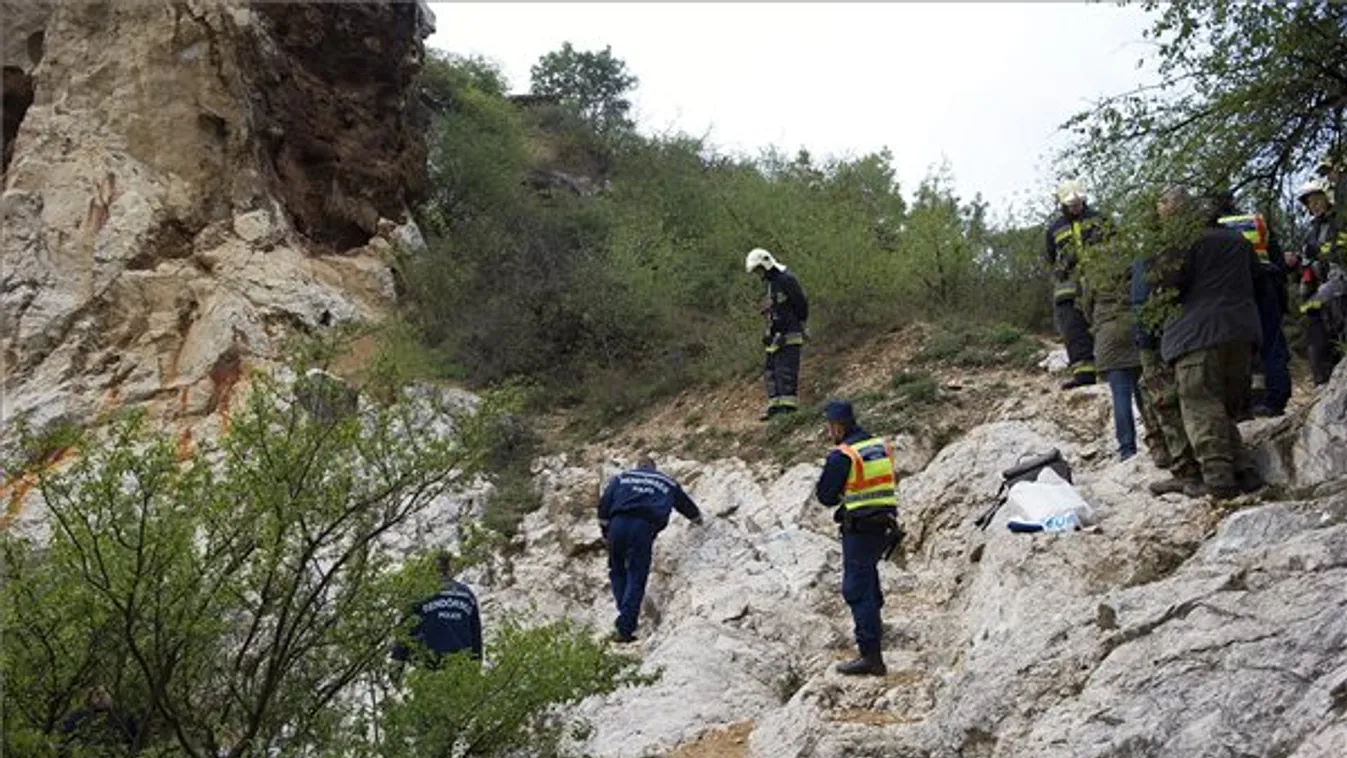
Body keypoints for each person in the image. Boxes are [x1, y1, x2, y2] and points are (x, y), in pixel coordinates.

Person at [1153, 187, 1264, 499]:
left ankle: (1218, 480)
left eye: (1161, 205)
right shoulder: (1238, 241)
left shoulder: (1181, 241)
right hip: (1242, 332)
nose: (1159, 212)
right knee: (1221, 406)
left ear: (1175, 211)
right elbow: (1258, 279)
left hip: (1197, 334)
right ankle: (1245, 470)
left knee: (1200, 404)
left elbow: (1166, 282)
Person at [814, 400, 904, 677]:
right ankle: (875, 631)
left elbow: (825, 496)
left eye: (829, 427)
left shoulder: (843, 456)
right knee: (869, 579)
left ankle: (871, 656)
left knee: (856, 588)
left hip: (860, 527)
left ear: (838, 427)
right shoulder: (879, 446)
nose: (829, 432)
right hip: (885, 525)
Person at [597, 454, 703, 643]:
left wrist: (606, 531)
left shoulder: (622, 478)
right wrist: (697, 519)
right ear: (654, 467)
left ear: (638, 465)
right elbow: (684, 504)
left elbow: (604, 504)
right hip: (642, 527)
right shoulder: (666, 481)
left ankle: (624, 615)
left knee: (617, 570)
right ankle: (625, 628)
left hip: (618, 524)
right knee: (637, 575)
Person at [1212, 191, 1291, 416]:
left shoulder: (1216, 228)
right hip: (1266, 283)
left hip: (1236, 290)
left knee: (1242, 347)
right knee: (1272, 342)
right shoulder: (1255, 221)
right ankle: (1276, 398)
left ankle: (1246, 403)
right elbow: (1276, 256)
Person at [1132, 253, 1202, 495]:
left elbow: (1140, 303)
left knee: (1163, 398)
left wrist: (1144, 342)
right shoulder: (1187, 246)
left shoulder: (1149, 257)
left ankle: (1185, 468)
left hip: (1165, 336)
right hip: (1195, 331)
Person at [1045, 179, 1112, 389]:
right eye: (1071, 204)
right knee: (1074, 331)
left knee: (1107, 325)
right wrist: (1061, 267)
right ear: (1063, 204)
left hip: (1101, 283)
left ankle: (1112, 371)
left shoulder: (1100, 219)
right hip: (1069, 289)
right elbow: (1049, 260)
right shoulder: (1054, 229)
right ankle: (1083, 374)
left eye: (1079, 203)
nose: (1076, 207)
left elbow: (1118, 247)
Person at [1081, 261, 1147, 460]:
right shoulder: (1135, 264)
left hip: (1108, 334)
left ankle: (1127, 449)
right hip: (1135, 327)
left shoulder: (1093, 271)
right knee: (1145, 392)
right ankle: (1160, 441)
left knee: (1120, 394)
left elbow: (1086, 308)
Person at [1290, 178, 1346, 386]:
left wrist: (1324, 254)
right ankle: (1323, 387)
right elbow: (1307, 262)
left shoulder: (1339, 222)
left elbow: (1338, 253)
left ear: (1327, 198)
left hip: (1340, 288)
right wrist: (1295, 264)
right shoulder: (1311, 230)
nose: (1313, 206)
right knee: (1317, 342)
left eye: (1317, 200)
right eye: (1309, 202)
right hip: (1318, 293)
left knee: (1339, 338)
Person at [745, 247, 809, 420]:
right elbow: (775, 309)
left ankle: (788, 410)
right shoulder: (772, 285)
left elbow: (801, 304)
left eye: (759, 270)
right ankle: (775, 406)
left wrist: (795, 324)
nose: (759, 274)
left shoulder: (786, 279)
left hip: (789, 333)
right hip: (775, 335)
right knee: (772, 369)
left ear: (766, 264)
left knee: (786, 370)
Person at [391, 551, 483, 668]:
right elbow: (475, 634)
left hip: (427, 666)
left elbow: (406, 630)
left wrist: (397, 660)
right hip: (460, 666)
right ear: (450, 568)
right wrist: (476, 664)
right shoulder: (467, 595)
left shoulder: (419, 593)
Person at [58, 686, 143, 756]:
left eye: (103, 694)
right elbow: (64, 739)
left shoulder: (123, 715)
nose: (101, 697)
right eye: (97, 694)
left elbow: (134, 740)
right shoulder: (78, 716)